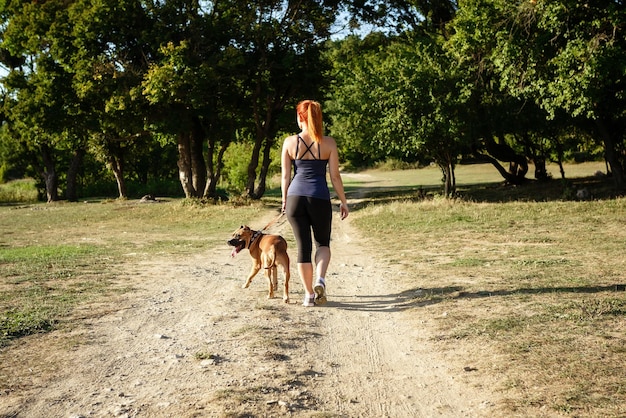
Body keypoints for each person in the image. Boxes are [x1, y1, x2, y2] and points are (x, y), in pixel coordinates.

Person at [281, 99, 349, 307]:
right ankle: (320, 280)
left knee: (303, 248)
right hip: (319, 198)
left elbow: (285, 176)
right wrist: (343, 202)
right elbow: (335, 177)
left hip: (295, 199)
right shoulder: (328, 143)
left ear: (300, 117)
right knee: (322, 243)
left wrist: (284, 201)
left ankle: (309, 295)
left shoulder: (290, 142)